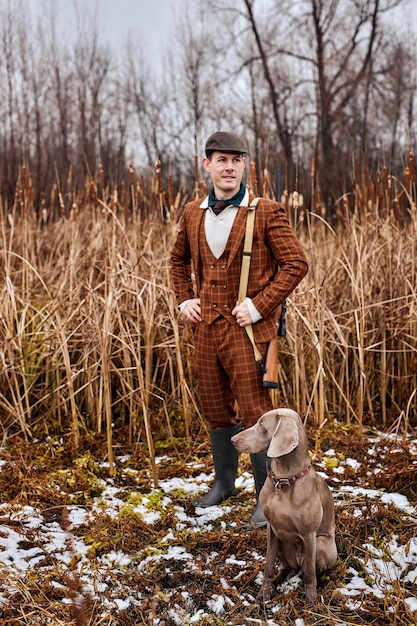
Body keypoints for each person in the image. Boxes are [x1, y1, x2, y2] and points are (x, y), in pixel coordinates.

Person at [170, 131, 308, 527]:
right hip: (205, 332)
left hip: (249, 334)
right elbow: (177, 261)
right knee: (215, 409)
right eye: (221, 160)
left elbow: (296, 264)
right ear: (206, 165)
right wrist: (184, 299)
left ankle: (266, 497)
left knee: (256, 414)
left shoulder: (265, 210)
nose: (228, 167)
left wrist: (258, 305)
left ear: (245, 164)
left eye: (236, 159)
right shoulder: (193, 212)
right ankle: (224, 484)